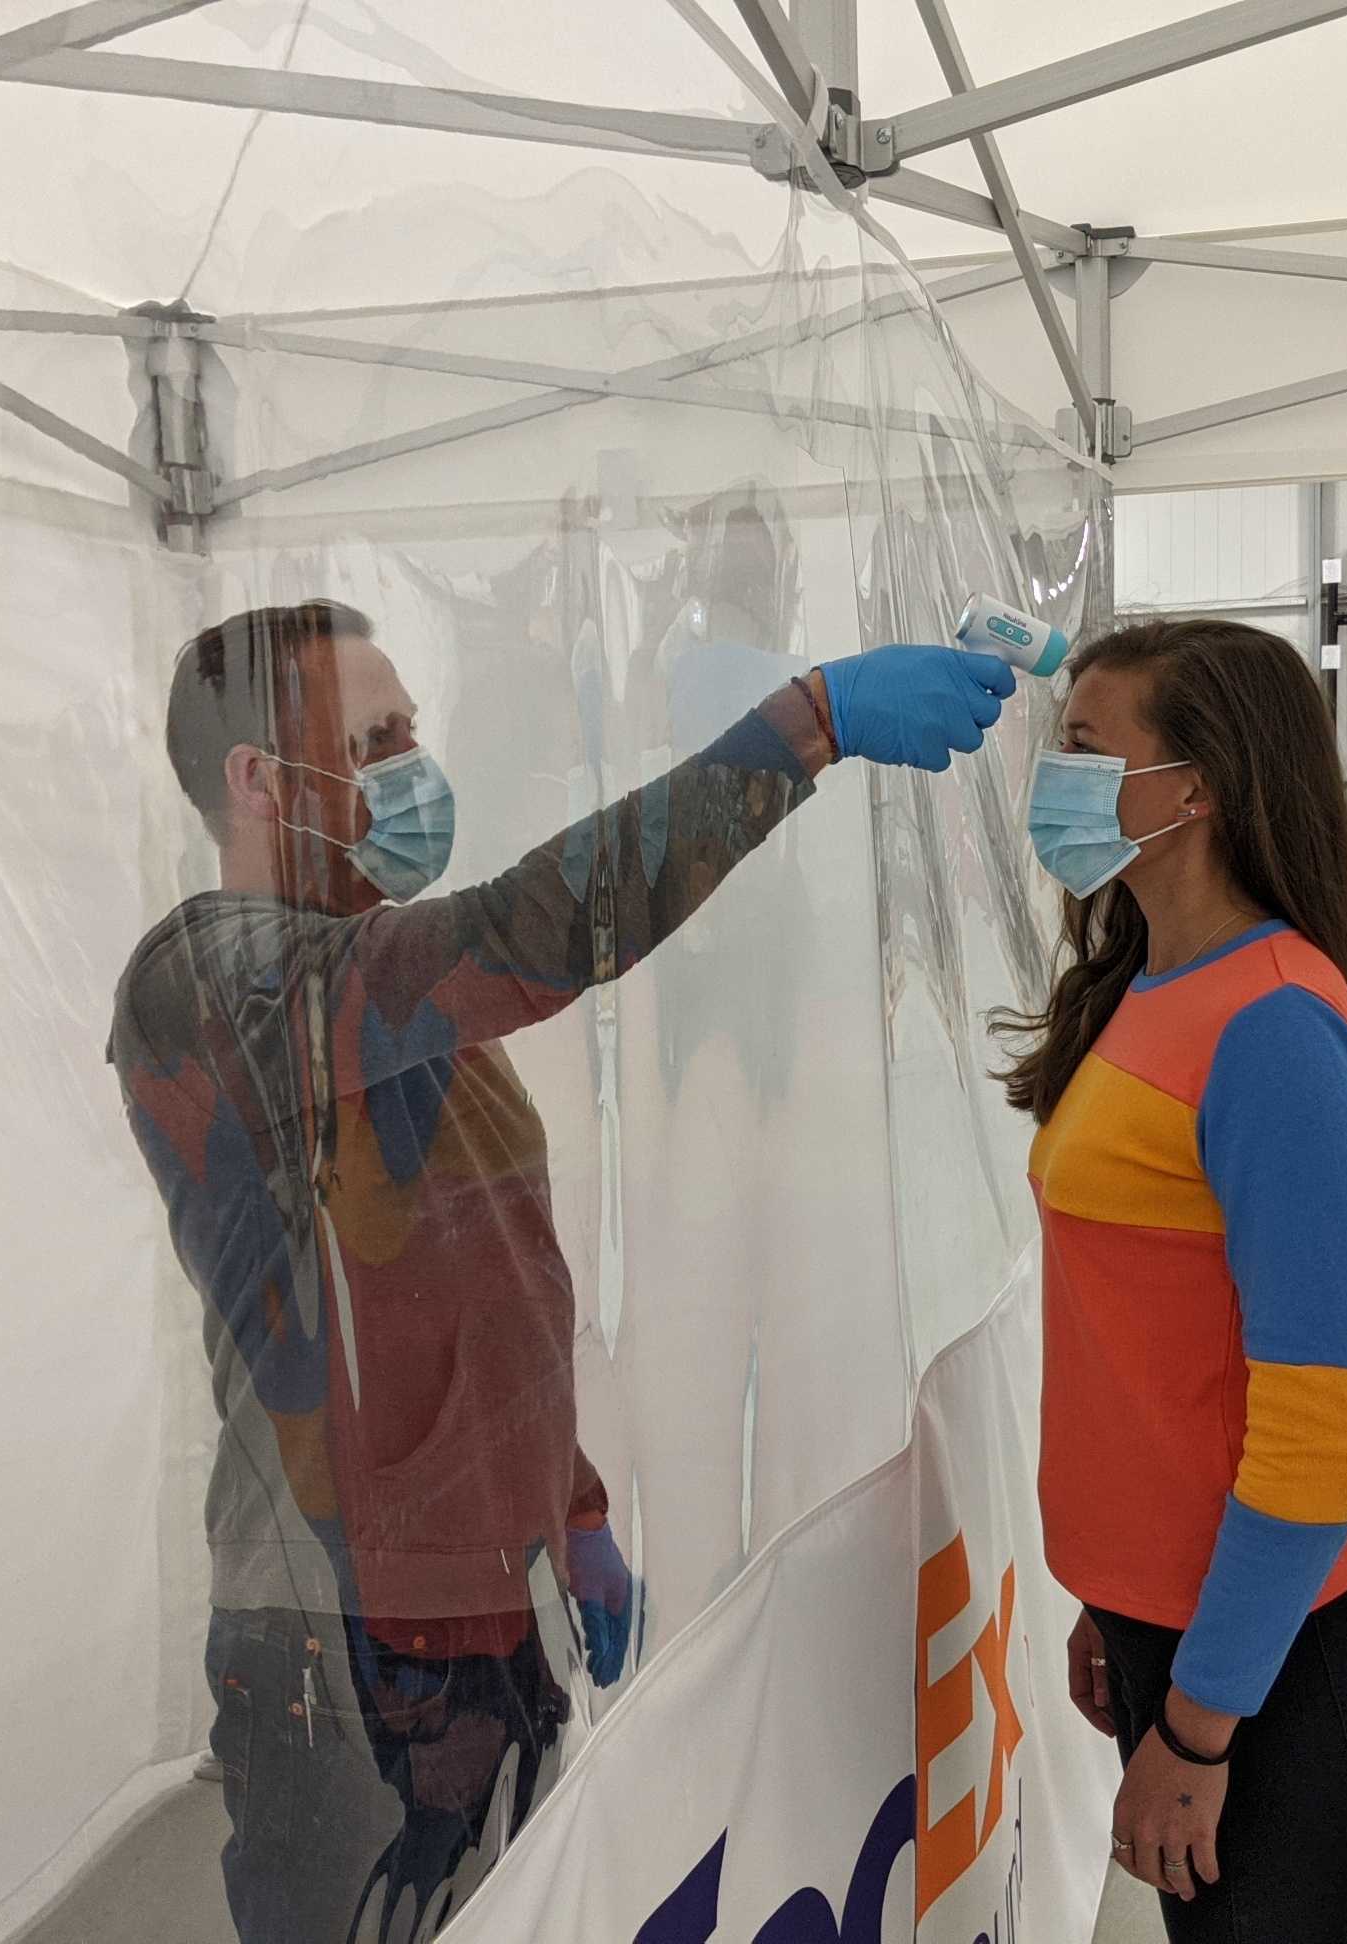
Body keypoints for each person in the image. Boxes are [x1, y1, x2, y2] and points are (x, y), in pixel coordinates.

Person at [108, 598, 1013, 1942]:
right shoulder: (216, 984)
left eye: (415, 724)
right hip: (339, 1644)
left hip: (481, 1607)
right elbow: (535, 929)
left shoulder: (375, 986)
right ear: (257, 780)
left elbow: (486, 1284)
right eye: (379, 736)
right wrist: (806, 724)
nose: (420, 761)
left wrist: (570, 1508)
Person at [993, 617, 1347, 1942]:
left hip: (1282, 1673)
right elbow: (1149, 1345)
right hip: (1183, 1632)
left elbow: (1311, 1438)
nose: (1052, 782)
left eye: (1083, 749)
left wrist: (1195, 1726)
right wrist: (1115, 1602)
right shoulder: (1151, 981)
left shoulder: (1276, 1031)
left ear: (1198, 788)